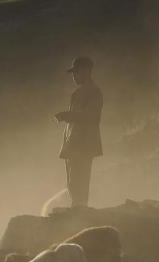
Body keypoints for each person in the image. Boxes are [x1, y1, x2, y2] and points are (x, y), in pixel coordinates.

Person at [54, 57, 103, 208]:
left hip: (84, 142)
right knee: (73, 176)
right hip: (75, 142)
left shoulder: (93, 92)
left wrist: (66, 115)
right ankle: (77, 206)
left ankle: (80, 207)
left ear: (86, 71)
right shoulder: (80, 92)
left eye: (76, 72)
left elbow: (91, 116)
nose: (74, 76)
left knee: (79, 176)